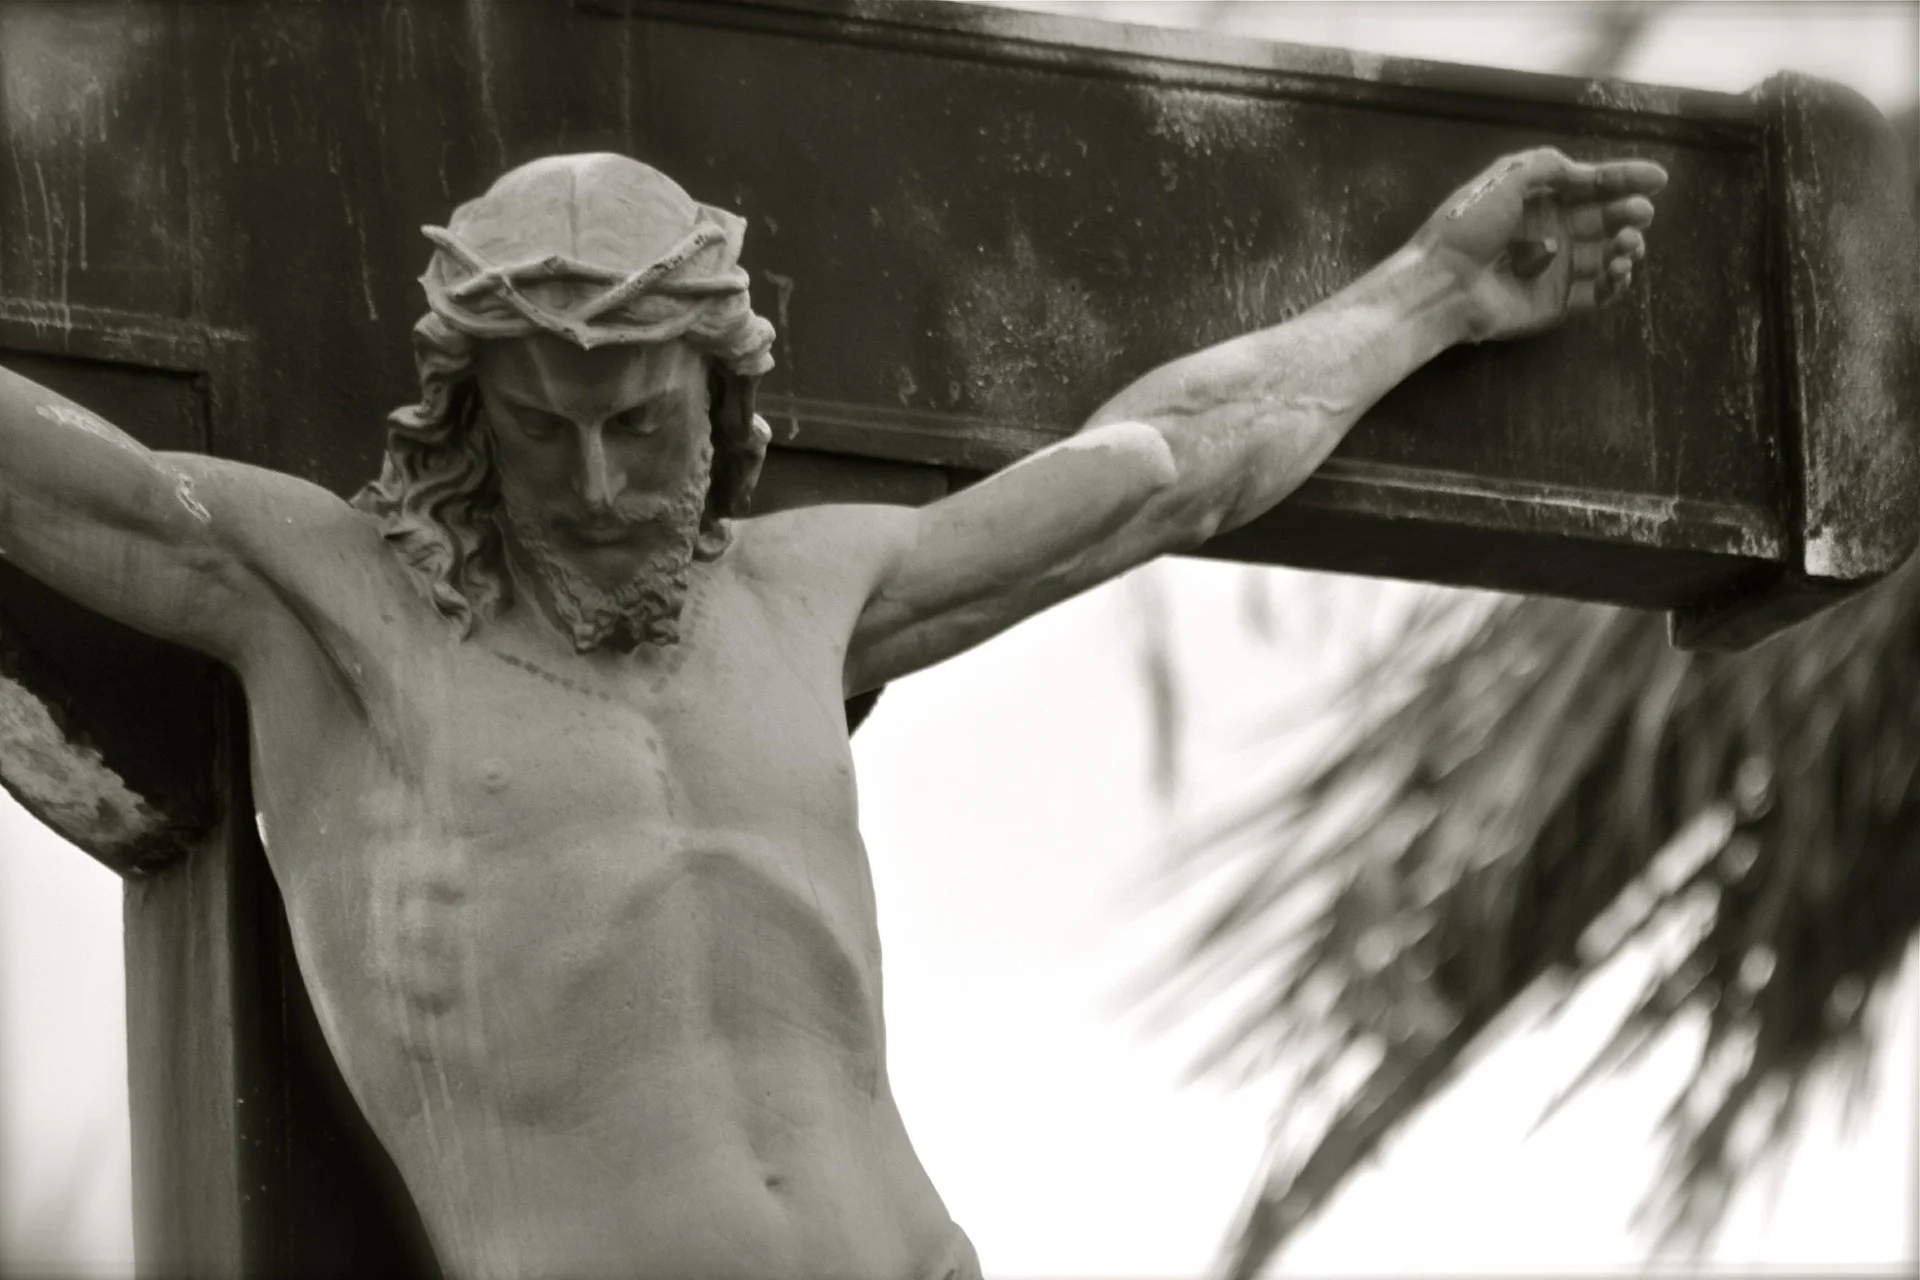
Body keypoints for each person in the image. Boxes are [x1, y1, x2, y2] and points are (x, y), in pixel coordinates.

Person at [0, 148, 1663, 1280]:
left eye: (643, 424)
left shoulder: (811, 593)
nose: (598, 483)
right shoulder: (335, 603)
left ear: (721, 397)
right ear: (471, 416)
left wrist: (1437, 291)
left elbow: (1172, 467)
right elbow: (59, 478)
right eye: (542, 431)